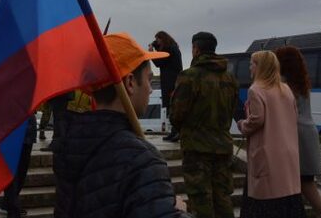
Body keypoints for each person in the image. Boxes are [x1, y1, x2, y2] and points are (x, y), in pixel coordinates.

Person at [53, 32, 191, 218]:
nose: (151, 89)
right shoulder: (143, 160)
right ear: (130, 83)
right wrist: (177, 211)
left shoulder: (67, 144)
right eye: (149, 79)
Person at [170, 31, 238, 218]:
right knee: (223, 199)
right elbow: (232, 111)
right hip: (223, 148)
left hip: (196, 149)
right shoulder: (230, 79)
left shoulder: (189, 77)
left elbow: (176, 115)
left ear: (196, 49)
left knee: (201, 201)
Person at [237, 51, 306, 218]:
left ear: (260, 67)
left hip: (267, 154)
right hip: (288, 154)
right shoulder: (286, 89)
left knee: (264, 197)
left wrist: (242, 125)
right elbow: (294, 115)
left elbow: (257, 119)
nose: (250, 67)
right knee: (287, 195)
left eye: (252, 64)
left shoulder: (256, 90)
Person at [275, 47, 321, 218]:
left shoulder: (283, 84)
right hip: (308, 131)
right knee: (306, 179)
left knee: (297, 180)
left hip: (296, 133)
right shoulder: (302, 82)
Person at [0, 114, 37, 218]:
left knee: (21, 174)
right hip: (11, 132)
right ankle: (13, 208)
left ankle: (8, 205)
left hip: (28, 133)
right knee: (11, 175)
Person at [149, 31, 183, 141]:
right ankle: (175, 132)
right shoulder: (172, 47)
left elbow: (159, 62)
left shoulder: (169, 49)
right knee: (172, 107)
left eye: (158, 39)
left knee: (172, 107)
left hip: (170, 82)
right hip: (173, 81)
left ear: (162, 39)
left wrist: (151, 53)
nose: (157, 42)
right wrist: (155, 45)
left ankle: (176, 132)